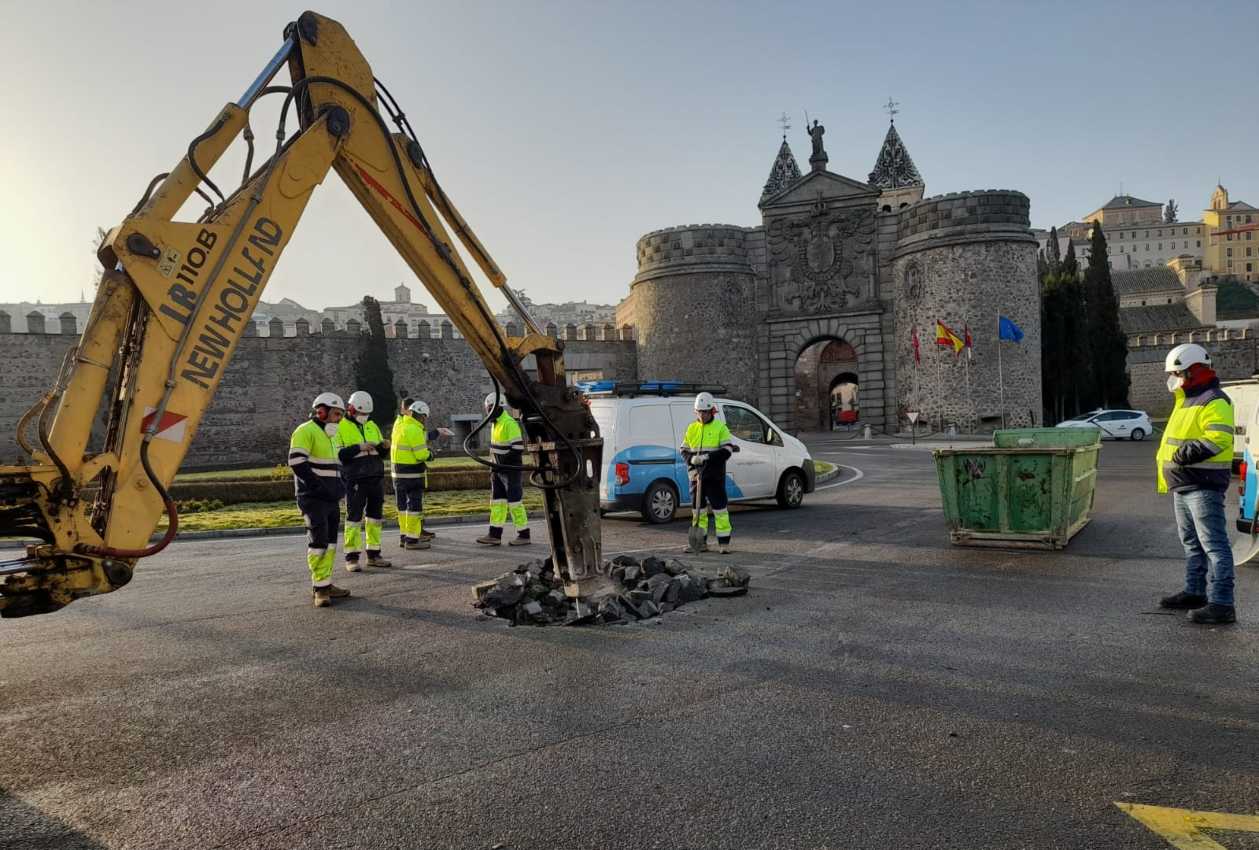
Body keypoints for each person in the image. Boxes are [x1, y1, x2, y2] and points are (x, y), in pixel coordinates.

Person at [1156, 343, 1237, 625]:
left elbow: (1219, 437)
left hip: (1203, 484)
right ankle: (1195, 592)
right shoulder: (1186, 399)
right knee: (1191, 543)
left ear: (1193, 371)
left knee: (1214, 545)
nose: (1174, 379)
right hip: (1184, 484)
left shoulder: (1214, 400)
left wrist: (1185, 454)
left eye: (1177, 373)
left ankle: (1222, 603)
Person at [288, 392, 351, 608]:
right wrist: (318, 487)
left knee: (331, 543)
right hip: (313, 499)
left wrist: (340, 489)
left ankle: (326, 582)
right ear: (321, 411)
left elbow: (335, 467)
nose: (339, 419)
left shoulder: (331, 435)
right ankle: (320, 589)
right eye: (336, 414)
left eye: (341, 415)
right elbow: (297, 462)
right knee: (319, 543)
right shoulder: (305, 431)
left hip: (330, 498)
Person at [334, 390, 392, 571]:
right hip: (354, 478)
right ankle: (351, 558)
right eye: (361, 414)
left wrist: (384, 447)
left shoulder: (372, 426)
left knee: (375, 518)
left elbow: (381, 455)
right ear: (350, 410)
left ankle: (374, 554)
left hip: (375, 476)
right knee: (354, 518)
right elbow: (338, 455)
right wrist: (359, 447)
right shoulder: (340, 427)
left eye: (366, 414)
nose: (363, 417)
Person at [680, 392, 738, 554]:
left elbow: (727, 451)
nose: (702, 415)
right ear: (695, 412)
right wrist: (691, 459)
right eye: (699, 412)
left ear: (711, 411)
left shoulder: (720, 427)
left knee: (720, 510)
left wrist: (707, 457)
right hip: (696, 476)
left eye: (705, 412)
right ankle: (699, 543)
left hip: (714, 476)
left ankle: (723, 543)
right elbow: (683, 449)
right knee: (698, 511)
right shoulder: (692, 428)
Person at [477, 392, 530, 546]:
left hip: (510, 471)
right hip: (497, 471)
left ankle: (524, 534)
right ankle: (494, 535)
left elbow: (518, 448)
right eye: (487, 409)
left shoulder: (509, 423)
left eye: (488, 408)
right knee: (497, 503)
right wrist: (494, 466)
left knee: (514, 503)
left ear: (496, 407)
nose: (487, 412)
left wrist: (501, 464)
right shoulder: (496, 424)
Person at [393, 400, 435, 550]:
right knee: (414, 507)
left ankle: (404, 536)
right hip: (412, 474)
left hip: (398, 474)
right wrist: (431, 455)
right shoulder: (415, 429)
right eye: (425, 417)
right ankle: (412, 540)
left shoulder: (400, 425)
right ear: (422, 416)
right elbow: (421, 454)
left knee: (402, 507)